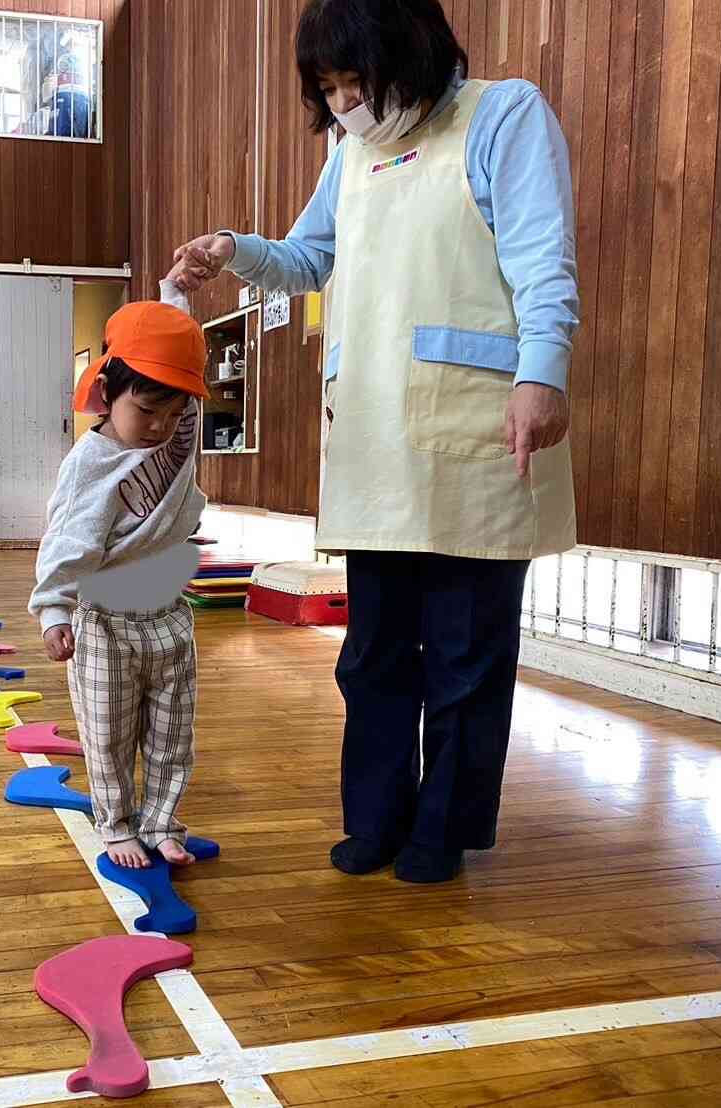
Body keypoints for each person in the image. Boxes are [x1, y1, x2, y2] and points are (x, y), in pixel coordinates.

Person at [171, 0, 578, 884]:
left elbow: (543, 259)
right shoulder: (347, 149)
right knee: (373, 653)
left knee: (465, 655)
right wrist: (235, 249)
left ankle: (444, 831)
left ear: (414, 55)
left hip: (477, 423)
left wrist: (540, 374)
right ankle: (378, 818)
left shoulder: (503, 116)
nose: (347, 100)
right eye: (330, 87)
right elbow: (311, 259)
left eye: (357, 79)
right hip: (373, 434)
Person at [30, 276, 207, 870]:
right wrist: (54, 608)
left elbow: (177, 347)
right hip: (104, 621)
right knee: (107, 735)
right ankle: (116, 824)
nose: (161, 426)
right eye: (147, 411)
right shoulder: (90, 466)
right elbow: (65, 542)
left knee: (170, 736)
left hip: (168, 615)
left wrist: (177, 293)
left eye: (176, 412)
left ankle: (162, 822)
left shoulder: (179, 429)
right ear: (107, 392)